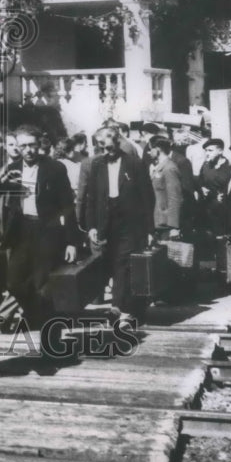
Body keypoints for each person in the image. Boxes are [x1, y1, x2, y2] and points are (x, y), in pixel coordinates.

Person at [0, 125, 78, 329]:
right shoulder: (12, 169)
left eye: (31, 145)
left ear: (38, 144)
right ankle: (36, 317)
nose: (28, 150)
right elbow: (6, 204)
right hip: (21, 231)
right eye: (23, 146)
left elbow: (68, 206)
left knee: (42, 284)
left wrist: (71, 242)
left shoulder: (55, 168)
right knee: (14, 282)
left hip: (47, 232)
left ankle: (48, 335)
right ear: (17, 147)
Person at [82, 127, 153, 320]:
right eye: (102, 148)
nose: (106, 153)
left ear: (118, 143)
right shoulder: (97, 165)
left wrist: (149, 228)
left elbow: (147, 197)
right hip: (106, 221)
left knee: (122, 262)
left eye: (109, 148)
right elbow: (91, 199)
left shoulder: (135, 164)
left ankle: (118, 307)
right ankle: (131, 305)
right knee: (111, 262)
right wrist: (92, 227)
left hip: (130, 222)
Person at [197, 138, 231, 244]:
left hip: (224, 210)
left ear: (220, 151)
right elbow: (200, 181)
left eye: (210, 150)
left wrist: (224, 195)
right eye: (206, 151)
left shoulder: (228, 166)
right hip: (208, 208)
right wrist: (201, 188)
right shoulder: (206, 165)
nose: (207, 153)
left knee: (223, 241)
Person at [147, 137, 184, 240]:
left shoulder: (169, 168)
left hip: (167, 224)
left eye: (150, 149)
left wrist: (174, 226)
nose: (148, 152)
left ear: (158, 149)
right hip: (160, 221)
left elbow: (175, 197)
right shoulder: (159, 167)